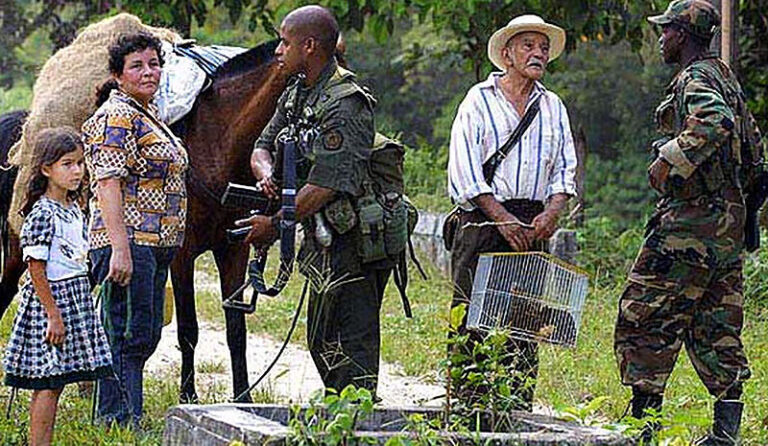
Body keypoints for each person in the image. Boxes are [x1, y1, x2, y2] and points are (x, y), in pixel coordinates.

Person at [613, 1, 759, 444]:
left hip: (689, 225)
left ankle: (644, 429)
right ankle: (724, 434)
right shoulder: (725, 77)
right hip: (727, 226)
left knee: (644, 316)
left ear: (683, 34)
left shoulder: (696, 79)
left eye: (666, 31)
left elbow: (714, 121)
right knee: (716, 325)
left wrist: (668, 159)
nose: (660, 39)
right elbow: (755, 152)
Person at [240, 5, 390, 396]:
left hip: (354, 240)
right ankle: (340, 422)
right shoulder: (296, 93)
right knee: (323, 340)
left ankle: (355, 425)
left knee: (349, 347)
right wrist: (267, 174)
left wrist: (272, 227)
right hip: (322, 237)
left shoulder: (345, 102)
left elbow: (326, 184)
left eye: (284, 42)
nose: (277, 50)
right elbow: (261, 146)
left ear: (309, 46)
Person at [446, 14, 577, 411]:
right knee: (471, 320)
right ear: (506, 54)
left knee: (523, 321)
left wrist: (552, 212)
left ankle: (515, 412)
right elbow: (464, 168)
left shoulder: (553, 106)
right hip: (483, 221)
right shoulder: (478, 100)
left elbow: (565, 169)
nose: (538, 53)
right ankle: (468, 413)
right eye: (528, 46)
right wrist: (500, 216)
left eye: (543, 48)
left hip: (533, 225)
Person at [81, 32, 188, 426]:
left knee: (142, 333)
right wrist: (120, 249)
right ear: (118, 75)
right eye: (137, 66)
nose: (149, 72)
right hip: (129, 241)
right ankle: (117, 419)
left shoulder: (147, 113)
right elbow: (107, 182)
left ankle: (125, 413)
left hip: (155, 243)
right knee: (126, 334)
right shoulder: (116, 116)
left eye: (154, 63)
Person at [3, 127, 113, 445]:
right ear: (46, 169)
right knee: (47, 382)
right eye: (67, 164)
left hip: (74, 297)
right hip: (52, 302)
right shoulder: (42, 214)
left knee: (59, 379)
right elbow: (35, 266)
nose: (77, 171)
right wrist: (53, 314)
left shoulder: (73, 208)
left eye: (80, 163)